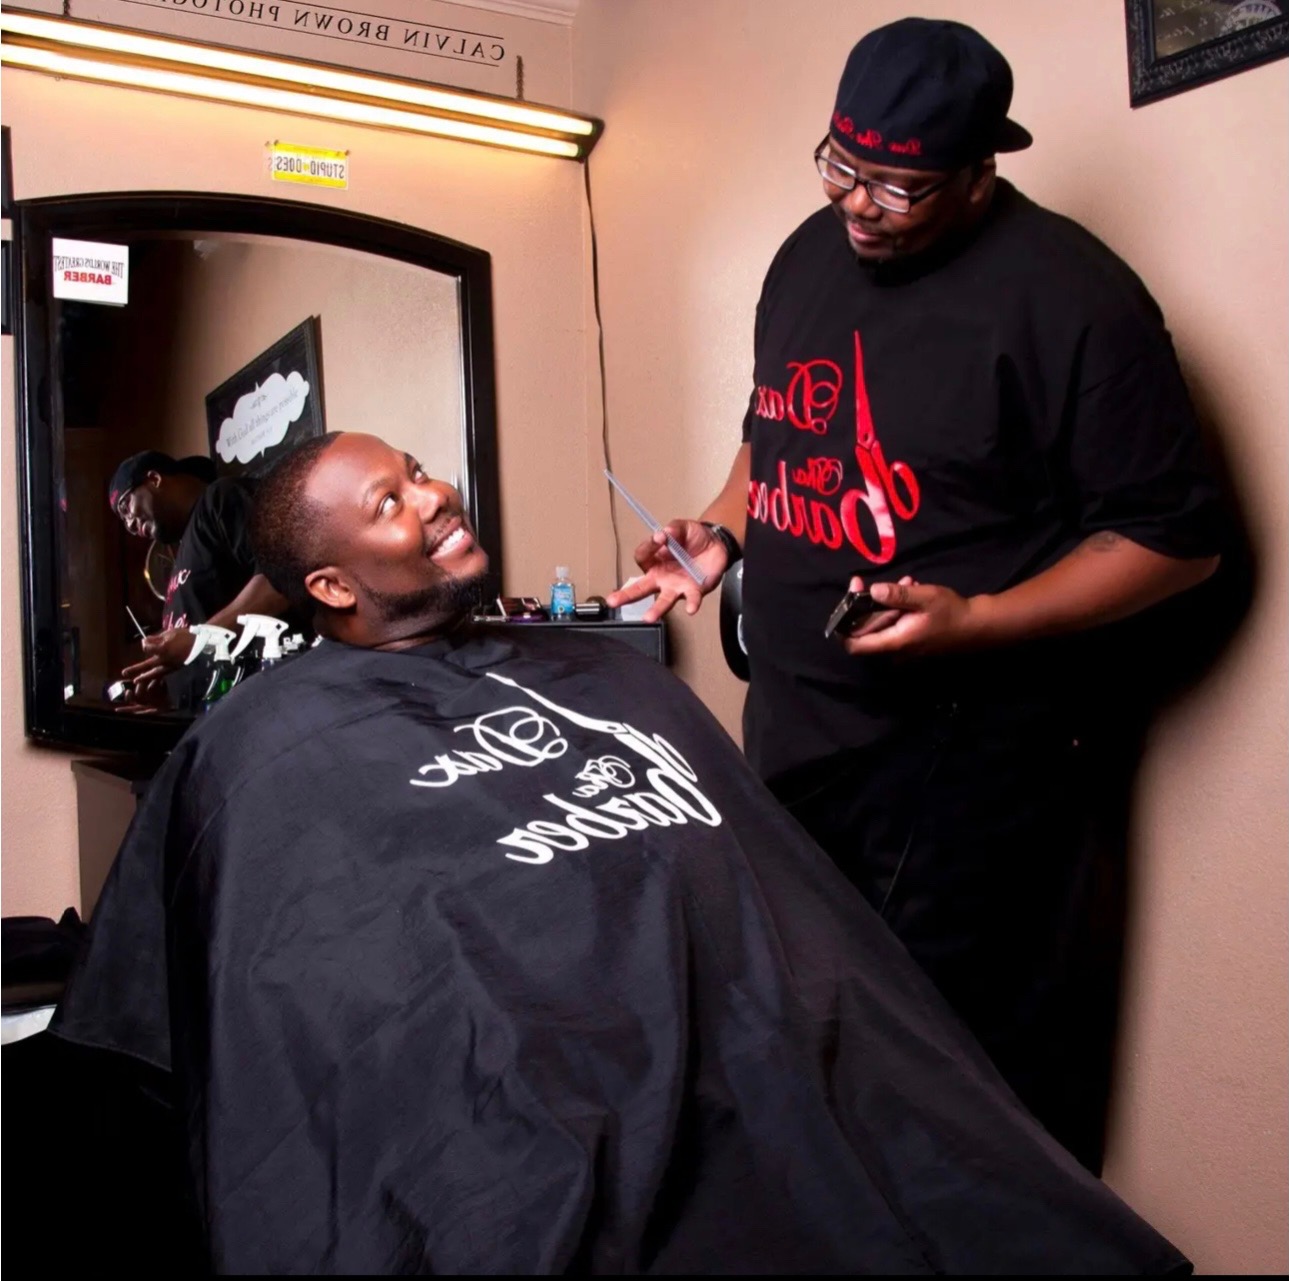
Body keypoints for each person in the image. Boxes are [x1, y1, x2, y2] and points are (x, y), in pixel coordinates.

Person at [50, 431, 1192, 1274]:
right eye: (391, 503)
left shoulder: (601, 668)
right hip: (523, 1124)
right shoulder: (270, 742)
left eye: (418, 470)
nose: (435, 496)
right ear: (333, 585)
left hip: (779, 1058)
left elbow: (776, 898)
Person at [607, 18, 1228, 1172]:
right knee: (810, 1064)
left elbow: (1177, 544)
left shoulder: (1075, 299)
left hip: (968, 786)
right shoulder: (806, 254)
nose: (859, 205)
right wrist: (722, 533)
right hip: (798, 742)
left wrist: (981, 621)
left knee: (961, 1105)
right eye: (841, 167)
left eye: (898, 187)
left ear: (981, 172)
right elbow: (777, 432)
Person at [108, 449, 292, 708]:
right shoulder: (182, 553)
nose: (128, 525)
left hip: (263, 704)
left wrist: (202, 638)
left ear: (154, 479)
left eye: (125, 506)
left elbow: (284, 574)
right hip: (210, 716)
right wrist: (167, 696)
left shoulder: (221, 498)